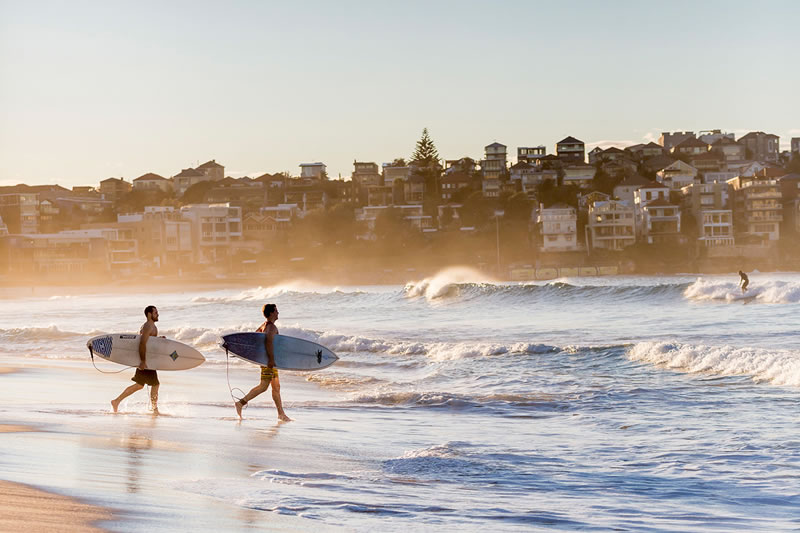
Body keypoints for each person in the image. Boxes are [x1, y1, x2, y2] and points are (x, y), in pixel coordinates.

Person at [234, 303, 291, 421]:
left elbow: (254, 338)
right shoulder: (271, 327)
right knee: (264, 386)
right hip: (268, 361)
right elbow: (268, 342)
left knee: (276, 387)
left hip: (266, 359)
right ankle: (240, 403)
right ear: (271, 313)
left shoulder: (264, 326)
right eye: (276, 311)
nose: (278, 313)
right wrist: (270, 359)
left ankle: (281, 414)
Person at [111, 305, 161, 415]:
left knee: (140, 385)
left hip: (147, 360)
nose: (158, 314)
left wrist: (159, 340)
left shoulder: (152, 326)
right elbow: (142, 344)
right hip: (146, 361)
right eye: (155, 312)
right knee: (154, 385)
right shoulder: (148, 326)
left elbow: (149, 342)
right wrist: (143, 361)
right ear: (149, 314)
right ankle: (154, 409)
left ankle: (116, 401)